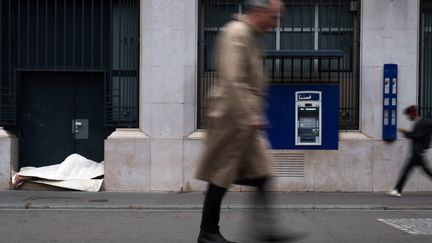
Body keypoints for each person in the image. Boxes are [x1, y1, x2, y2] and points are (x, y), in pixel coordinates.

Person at [194, 1, 300, 242]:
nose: (275, 24)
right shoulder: (237, 32)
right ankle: (208, 232)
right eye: (273, 18)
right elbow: (233, 79)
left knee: (261, 171)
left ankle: (266, 230)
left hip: (244, 118)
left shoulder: (249, 36)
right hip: (233, 117)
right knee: (221, 173)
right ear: (259, 12)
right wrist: (250, 115)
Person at [388, 105, 432, 197]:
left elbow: (418, 136)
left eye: (409, 115)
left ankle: (397, 190)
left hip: (417, 153)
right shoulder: (420, 122)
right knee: (426, 172)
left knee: (406, 171)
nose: (408, 117)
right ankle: (397, 189)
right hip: (417, 153)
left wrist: (406, 133)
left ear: (414, 113)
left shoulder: (422, 123)